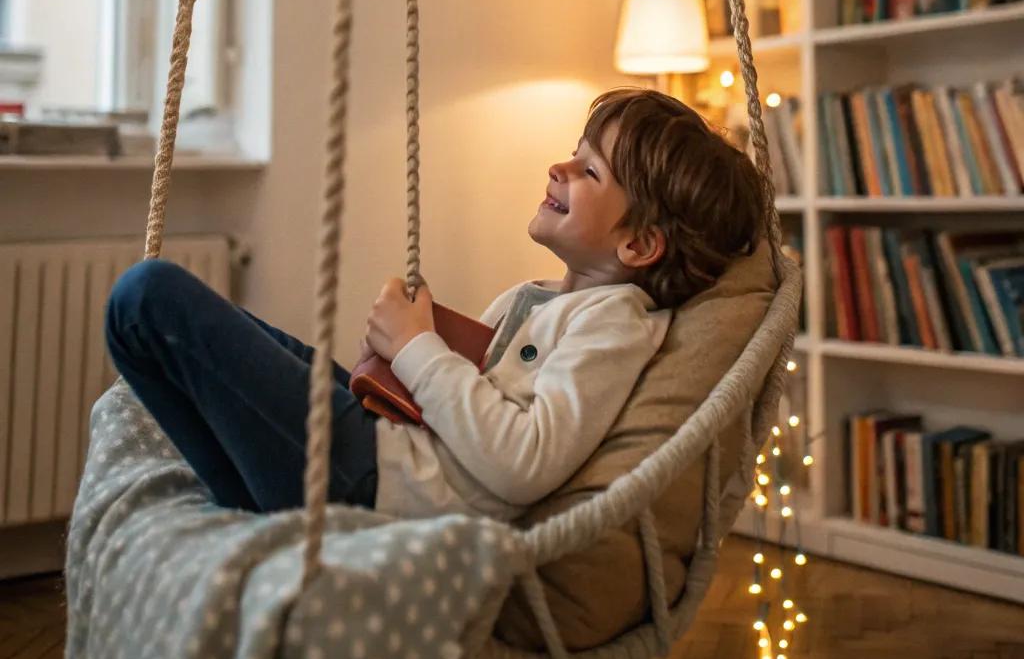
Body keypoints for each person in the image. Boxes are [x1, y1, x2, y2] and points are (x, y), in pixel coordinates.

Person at [105, 88, 765, 522]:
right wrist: (402, 348)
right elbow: (459, 408)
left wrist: (417, 347)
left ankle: (253, 505)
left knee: (149, 299)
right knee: (186, 321)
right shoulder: (533, 299)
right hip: (385, 454)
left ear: (641, 242)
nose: (559, 169)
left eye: (589, 172)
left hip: (382, 486)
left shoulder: (614, 325)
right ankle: (248, 501)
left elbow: (524, 463)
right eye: (573, 155)